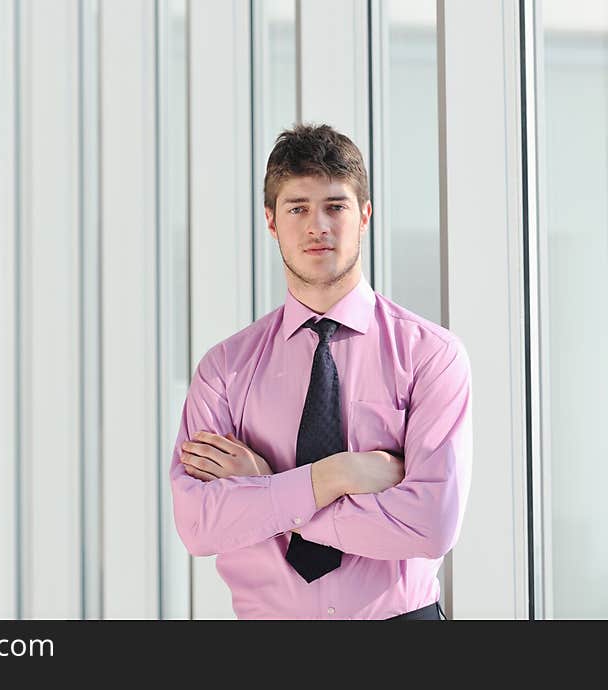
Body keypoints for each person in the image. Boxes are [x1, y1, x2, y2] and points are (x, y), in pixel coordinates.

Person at [169, 122, 472, 620]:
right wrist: (336, 475)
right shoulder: (225, 370)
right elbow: (199, 524)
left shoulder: (430, 356)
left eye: (336, 206)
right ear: (270, 220)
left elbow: (431, 524)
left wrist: (269, 489)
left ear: (365, 215)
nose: (318, 226)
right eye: (298, 208)